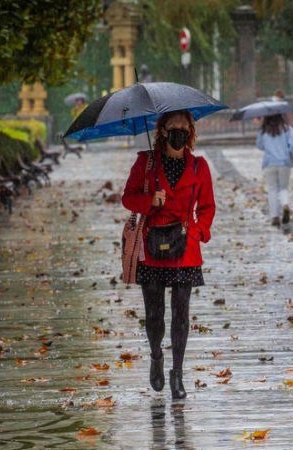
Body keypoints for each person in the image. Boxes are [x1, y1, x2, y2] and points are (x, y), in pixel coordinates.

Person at [122, 110, 216, 400]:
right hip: (151, 248)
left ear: (190, 131)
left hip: (185, 249)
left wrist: (199, 231)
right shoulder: (145, 162)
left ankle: (177, 373)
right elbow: (127, 197)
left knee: (181, 315)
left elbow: (207, 206)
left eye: (184, 127)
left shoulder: (199, 166)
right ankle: (155, 356)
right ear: (162, 130)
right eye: (173, 127)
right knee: (154, 316)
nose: (179, 132)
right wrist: (151, 200)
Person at [256, 113, 293, 227]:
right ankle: (285, 204)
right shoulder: (287, 129)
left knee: (272, 189)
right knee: (283, 188)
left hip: (269, 163)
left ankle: (275, 216)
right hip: (284, 162)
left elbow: (259, 145)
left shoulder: (263, 131)